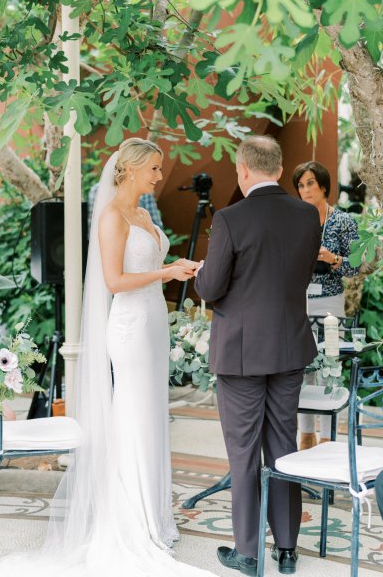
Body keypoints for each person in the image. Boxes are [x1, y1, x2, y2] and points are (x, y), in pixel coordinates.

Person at [0, 138, 217, 577]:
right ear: (128, 170)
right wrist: (166, 272)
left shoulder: (144, 214)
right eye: (152, 168)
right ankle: (131, 518)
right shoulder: (111, 216)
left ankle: (152, 513)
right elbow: (113, 280)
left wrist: (177, 267)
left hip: (152, 323)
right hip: (128, 327)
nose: (159, 176)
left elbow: (146, 268)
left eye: (159, 168)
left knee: (152, 416)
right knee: (132, 414)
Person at [195, 135, 320, 576]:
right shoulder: (307, 215)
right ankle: (287, 548)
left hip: (242, 352)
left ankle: (248, 552)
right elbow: (299, 275)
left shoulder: (230, 218)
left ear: (243, 169)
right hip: (289, 345)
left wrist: (201, 276)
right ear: (281, 168)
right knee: (283, 446)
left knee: (244, 452)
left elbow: (210, 289)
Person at [292, 161, 360, 450]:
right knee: (302, 369)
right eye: (300, 185)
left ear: (323, 185)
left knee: (329, 368)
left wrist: (332, 259)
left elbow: (356, 266)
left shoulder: (343, 221)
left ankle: (328, 439)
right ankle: (305, 437)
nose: (305, 190)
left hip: (331, 304)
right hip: (298, 303)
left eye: (310, 183)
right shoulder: (292, 220)